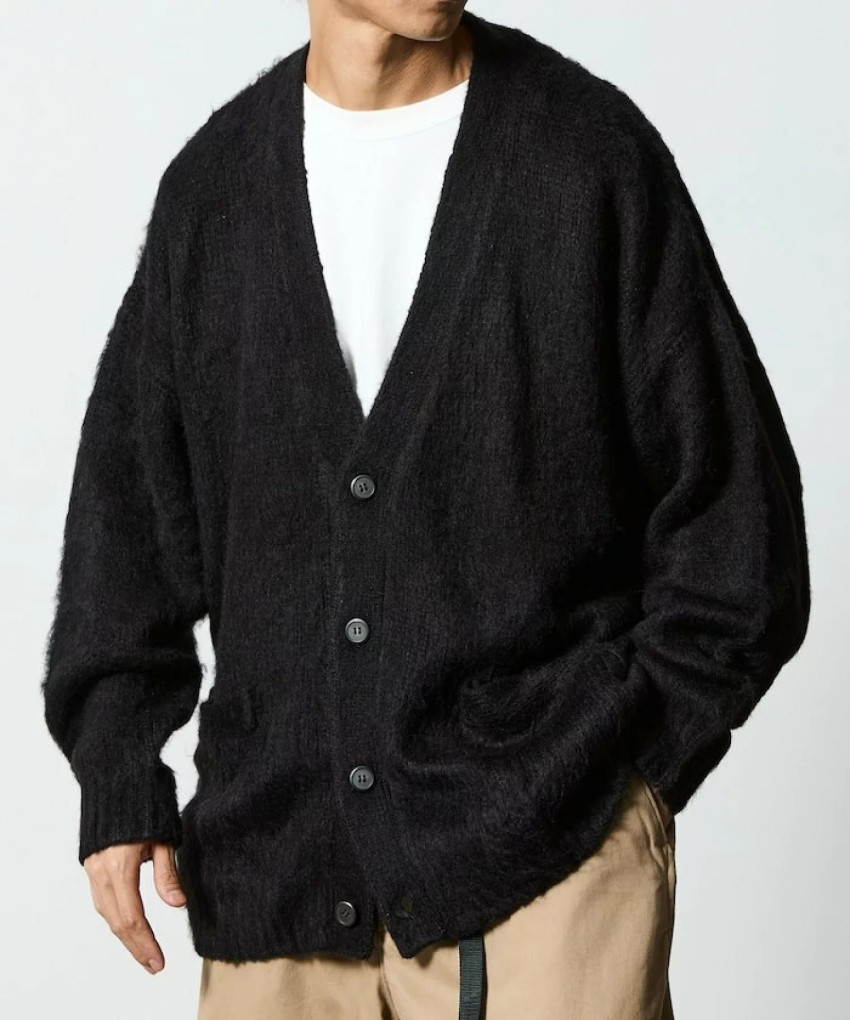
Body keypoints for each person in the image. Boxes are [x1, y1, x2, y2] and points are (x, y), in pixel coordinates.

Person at [41, 3, 810, 1018]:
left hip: (548, 885)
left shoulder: (585, 158)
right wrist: (117, 772)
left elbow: (737, 530)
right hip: (278, 898)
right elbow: (127, 526)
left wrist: (626, 776)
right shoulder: (214, 194)